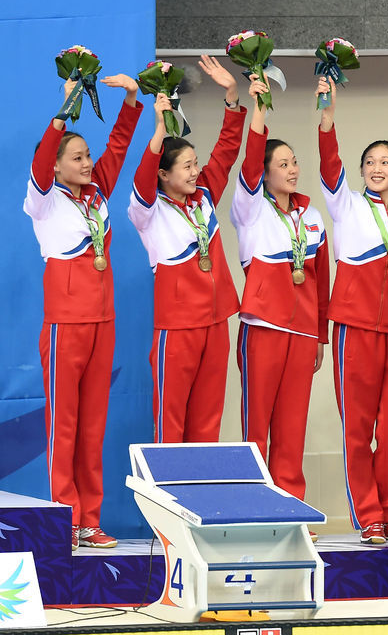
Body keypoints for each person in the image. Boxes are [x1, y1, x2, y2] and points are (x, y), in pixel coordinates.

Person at [24, 74, 143, 550]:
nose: (88, 163)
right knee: (65, 426)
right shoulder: (43, 200)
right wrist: (64, 110)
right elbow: (39, 163)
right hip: (65, 326)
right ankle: (65, 518)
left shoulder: (97, 194)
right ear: (55, 166)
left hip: (102, 323)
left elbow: (118, 148)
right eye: (76, 157)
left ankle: (89, 520)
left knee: (93, 428)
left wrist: (131, 100)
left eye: (87, 156)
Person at [317, 76, 388, 544]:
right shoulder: (345, 206)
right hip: (354, 329)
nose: (376, 168)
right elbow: (330, 165)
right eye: (369, 162)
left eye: (385, 162)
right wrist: (327, 117)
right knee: (358, 428)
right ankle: (368, 516)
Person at [230, 75, 329, 532]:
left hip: (303, 332)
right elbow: (249, 161)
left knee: (292, 428)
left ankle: (290, 511)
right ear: (265, 173)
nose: (292, 169)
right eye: (282, 164)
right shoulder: (250, 208)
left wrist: (321, 336)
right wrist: (260, 110)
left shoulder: (311, 215)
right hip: (264, 327)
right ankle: (252, 509)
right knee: (257, 427)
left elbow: (322, 280)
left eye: (294, 162)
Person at [128, 56, 245, 443]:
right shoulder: (148, 212)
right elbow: (142, 177)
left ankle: (203, 485)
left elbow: (226, 152)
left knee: (208, 421)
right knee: (171, 421)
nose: (196, 172)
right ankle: (167, 484)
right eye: (187, 167)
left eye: (196, 164)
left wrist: (232, 97)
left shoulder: (204, 196)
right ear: (164, 174)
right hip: (177, 329)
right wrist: (160, 129)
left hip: (216, 322)